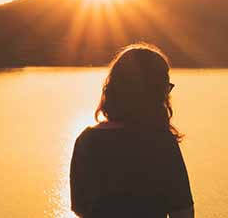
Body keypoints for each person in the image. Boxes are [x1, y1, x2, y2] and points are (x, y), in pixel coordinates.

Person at [70, 43, 194, 218]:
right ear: (156, 92)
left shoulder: (87, 140)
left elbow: (80, 207)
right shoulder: (160, 142)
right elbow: (183, 212)